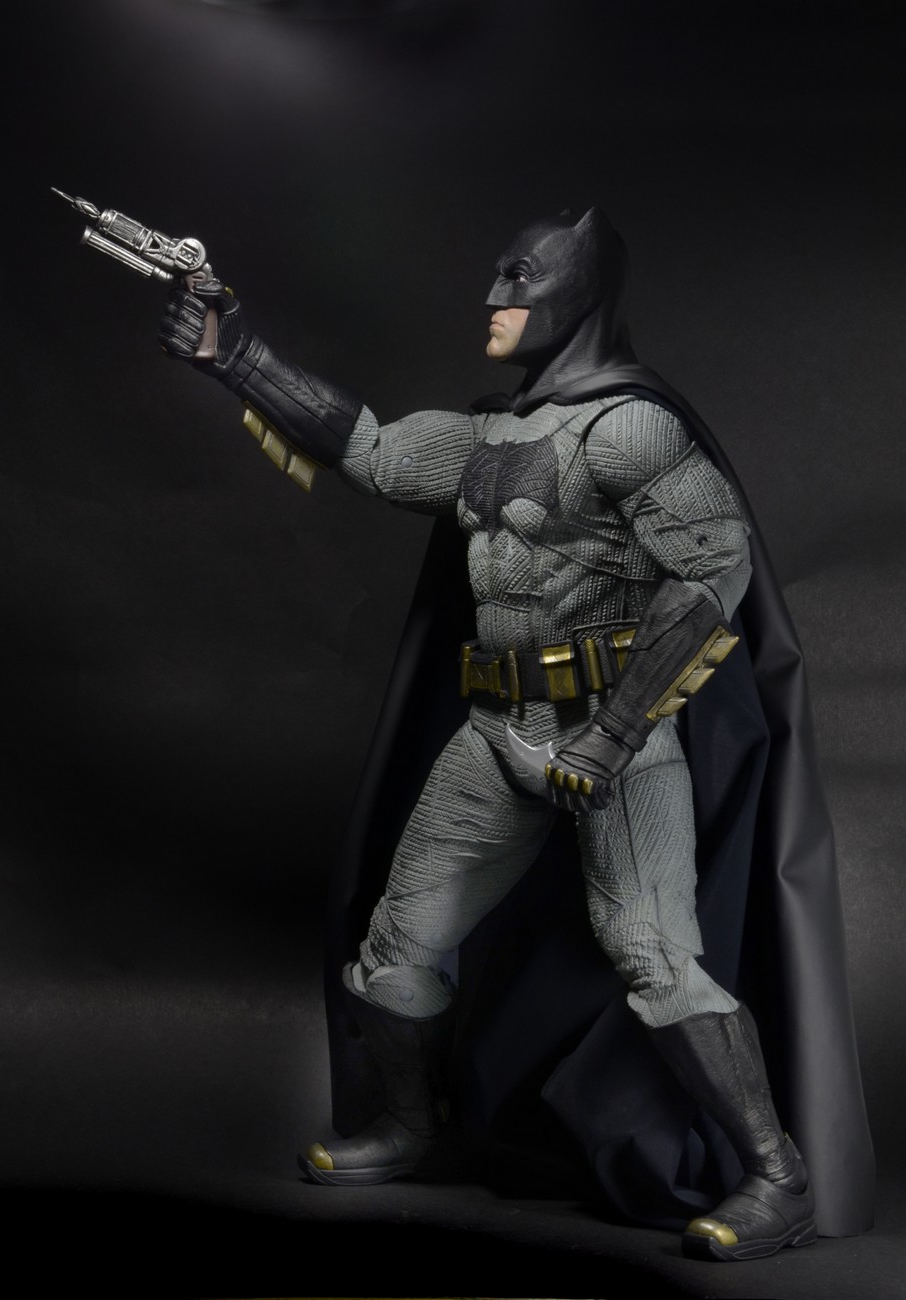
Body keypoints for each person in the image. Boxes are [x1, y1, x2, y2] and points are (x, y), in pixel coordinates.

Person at [159, 206, 873, 1261]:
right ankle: (411, 1124)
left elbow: (711, 573)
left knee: (653, 956)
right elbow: (368, 449)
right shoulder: (491, 435)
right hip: (497, 731)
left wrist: (614, 732)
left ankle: (778, 1175)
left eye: (520, 278)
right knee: (398, 947)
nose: (493, 298)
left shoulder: (632, 429)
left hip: (617, 742)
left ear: (576, 296)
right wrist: (234, 354)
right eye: (499, 276)